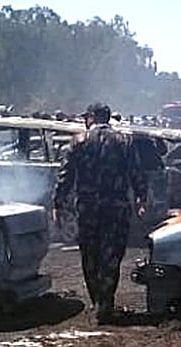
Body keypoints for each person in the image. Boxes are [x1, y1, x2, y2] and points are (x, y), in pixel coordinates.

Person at [53, 103, 148, 324]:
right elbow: (137, 172)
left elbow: (65, 176)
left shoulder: (78, 141)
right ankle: (106, 302)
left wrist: (58, 203)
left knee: (90, 254)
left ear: (92, 118)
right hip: (116, 207)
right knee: (112, 255)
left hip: (88, 208)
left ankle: (97, 301)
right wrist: (142, 198)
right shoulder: (125, 141)